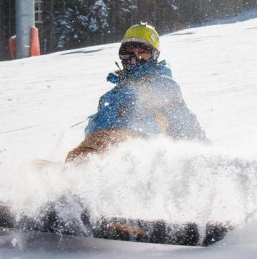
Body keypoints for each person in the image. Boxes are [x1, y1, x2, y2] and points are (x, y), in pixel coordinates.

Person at [65, 23, 206, 162]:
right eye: (128, 53)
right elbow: (99, 126)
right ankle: (80, 167)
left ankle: (94, 160)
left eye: (142, 53)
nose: (134, 59)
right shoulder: (113, 93)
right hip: (103, 147)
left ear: (154, 55)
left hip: (144, 148)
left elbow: (184, 120)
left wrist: (203, 150)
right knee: (76, 156)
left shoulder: (163, 83)